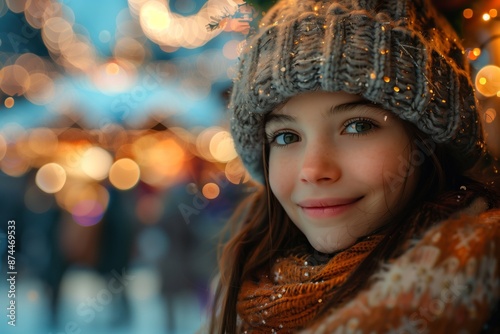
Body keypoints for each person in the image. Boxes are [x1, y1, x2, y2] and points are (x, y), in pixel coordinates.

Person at [208, 0, 500, 332]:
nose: (314, 170)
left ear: (427, 141)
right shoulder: (242, 301)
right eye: (287, 137)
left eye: (358, 126)